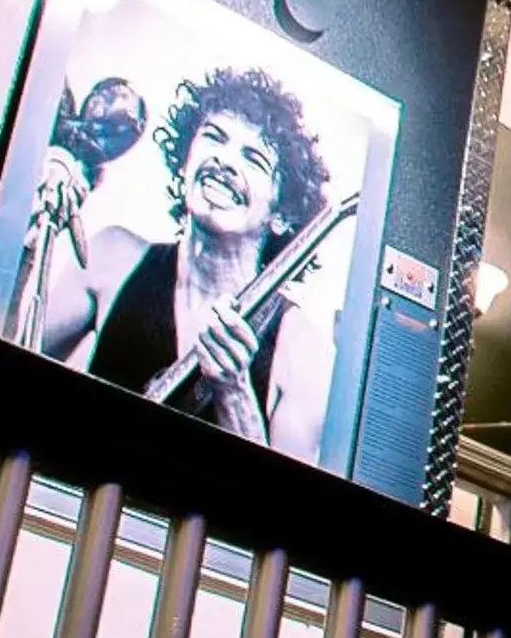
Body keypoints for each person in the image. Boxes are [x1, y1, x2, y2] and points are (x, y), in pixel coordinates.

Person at [24, 65, 336, 460]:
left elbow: (281, 514)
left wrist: (235, 393)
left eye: (254, 159)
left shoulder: (304, 348)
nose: (225, 161)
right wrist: (33, 242)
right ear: (185, 162)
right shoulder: (111, 258)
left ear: (281, 214)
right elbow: (10, 382)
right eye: (213, 137)